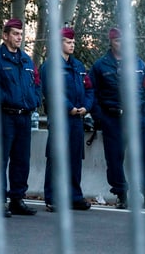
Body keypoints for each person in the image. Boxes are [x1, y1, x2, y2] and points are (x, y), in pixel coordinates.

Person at [89, 27, 145, 210]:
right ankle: (121, 195)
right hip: (113, 118)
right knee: (115, 159)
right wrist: (100, 117)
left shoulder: (138, 64)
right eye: (117, 40)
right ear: (111, 42)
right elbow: (91, 91)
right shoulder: (100, 66)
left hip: (136, 119)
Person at [40, 27, 93, 212]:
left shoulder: (77, 66)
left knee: (75, 159)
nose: (72, 45)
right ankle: (52, 197)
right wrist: (69, 107)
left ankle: (74, 196)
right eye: (68, 42)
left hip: (77, 119)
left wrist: (86, 106)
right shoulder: (50, 66)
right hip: (61, 118)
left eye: (73, 42)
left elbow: (89, 88)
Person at [0, 18, 41, 216]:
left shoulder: (26, 60)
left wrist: (34, 100)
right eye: (15, 34)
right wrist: (7, 100)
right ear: (5, 36)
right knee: (2, 159)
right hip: (5, 115)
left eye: (21, 34)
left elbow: (37, 83)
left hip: (24, 116)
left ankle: (17, 199)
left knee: (21, 159)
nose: (19, 38)